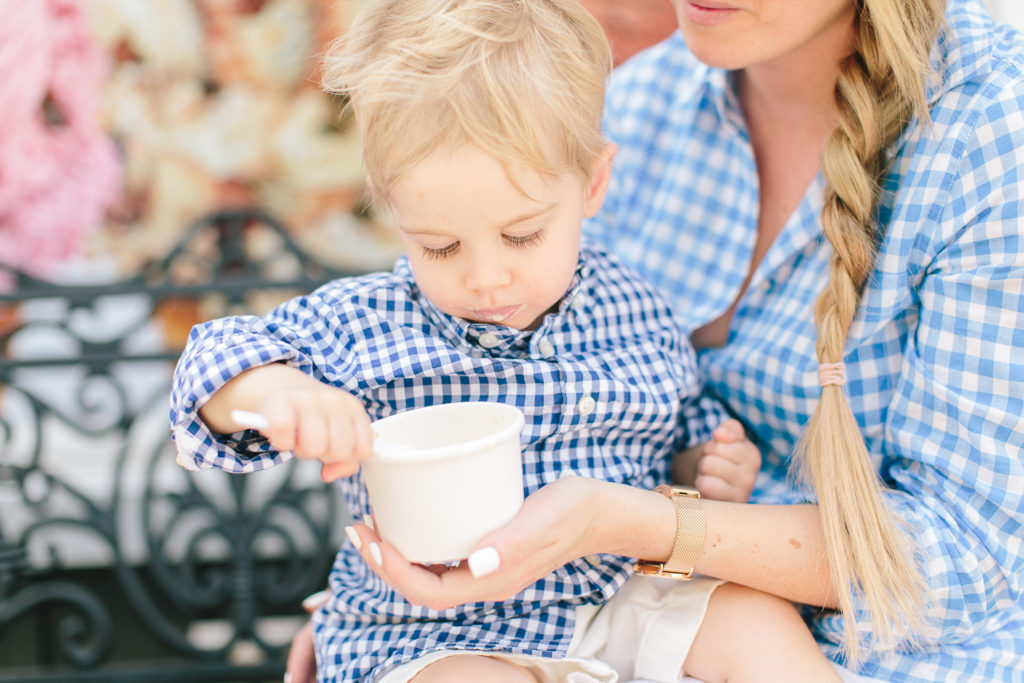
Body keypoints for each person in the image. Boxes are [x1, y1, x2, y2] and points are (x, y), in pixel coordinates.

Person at [335, 1, 1024, 682]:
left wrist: (640, 523)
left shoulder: (992, 128)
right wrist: (395, 630)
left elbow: (969, 562)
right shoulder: (641, 101)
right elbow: (508, 375)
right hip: (619, 623)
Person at [169, 1, 843, 681]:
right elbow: (214, 359)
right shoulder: (368, 324)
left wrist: (706, 463)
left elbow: (676, 416)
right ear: (393, 210)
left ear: (593, 182)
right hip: (438, 628)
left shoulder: (637, 312)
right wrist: (280, 391)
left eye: (522, 235)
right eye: (441, 245)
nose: (486, 279)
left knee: (753, 620)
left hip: (615, 599)